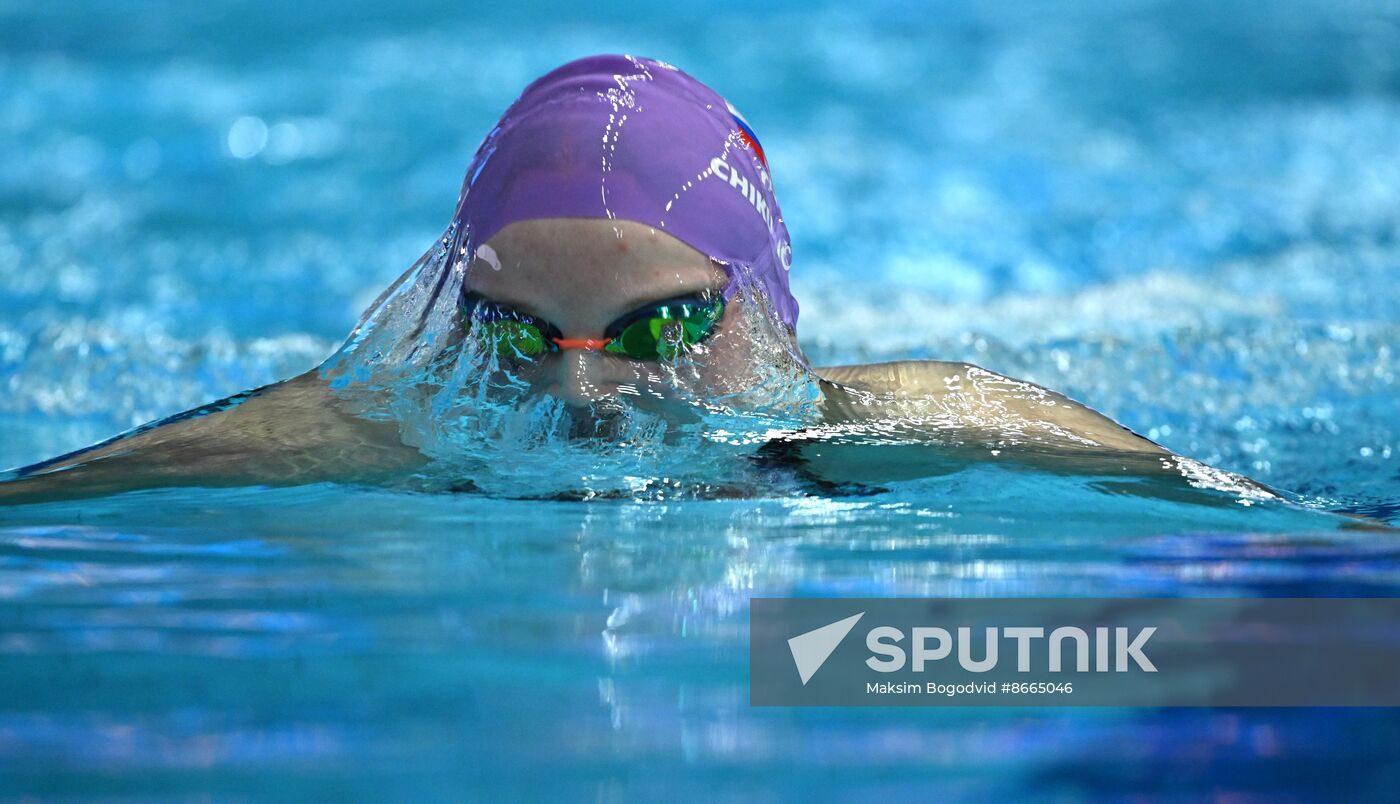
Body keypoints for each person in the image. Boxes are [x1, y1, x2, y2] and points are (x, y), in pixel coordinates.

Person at [0, 54, 1269, 505]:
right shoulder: (370, 430)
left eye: (659, 327)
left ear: (762, 306)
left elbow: (1285, 531)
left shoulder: (895, 424)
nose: (578, 388)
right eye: (511, 334)